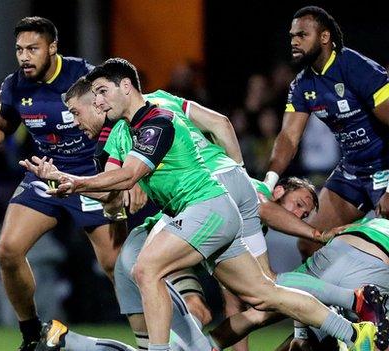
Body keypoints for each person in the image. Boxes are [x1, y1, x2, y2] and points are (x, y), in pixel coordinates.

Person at [37, 58, 379, 351]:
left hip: (211, 203)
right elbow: (113, 190)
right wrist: (62, 179)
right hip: (210, 207)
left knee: (145, 267)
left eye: (102, 92)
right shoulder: (122, 134)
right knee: (264, 291)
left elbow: (129, 176)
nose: (98, 102)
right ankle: (354, 331)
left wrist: (78, 182)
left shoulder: (157, 119)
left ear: (126, 86)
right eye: (94, 95)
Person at [0, 17, 124, 351]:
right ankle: (32, 334)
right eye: (19, 49)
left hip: (90, 176)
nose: (24, 57)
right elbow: (1, 124)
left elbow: (123, 116)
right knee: (7, 251)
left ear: (52, 47)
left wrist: (122, 174)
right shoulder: (16, 85)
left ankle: (157, 336)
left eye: (32, 48)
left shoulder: (86, 76)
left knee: (114, 266)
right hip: (43, 174)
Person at [264, 6, 389, 259]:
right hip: (352, 169)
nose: (294, 41)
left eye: (302, 35)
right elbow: (288, 138)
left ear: (325, 37)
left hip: (385, 165)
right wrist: (268, 184)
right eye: (292, 36)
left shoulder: (358, 68)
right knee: (310, 245)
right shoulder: (301, 84)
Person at [209, 217, 389, 351]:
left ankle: (202, 345)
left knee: (260, 314)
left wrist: (301, 333)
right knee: (373, 340)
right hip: (374, 268)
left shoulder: (368, 220)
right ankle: (353, 303)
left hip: (335, 252)